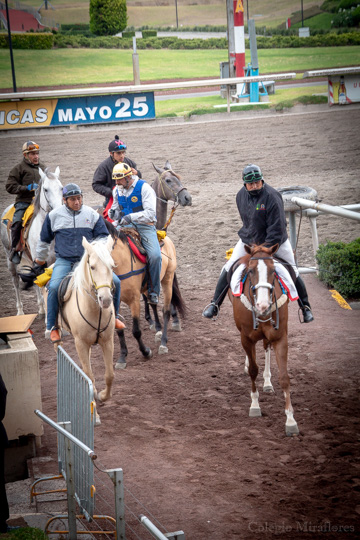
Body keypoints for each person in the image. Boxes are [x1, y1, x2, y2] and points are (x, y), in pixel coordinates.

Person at [202, 164, 314, 323]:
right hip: (250, 240)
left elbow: (277, 228)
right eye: (251, 184)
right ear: (244, 185)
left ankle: (305, 307)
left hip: (276, 242)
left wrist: (263, 250)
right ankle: (214, 304)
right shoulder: (240, 196)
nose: (254, 186)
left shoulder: (272, 197)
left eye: (257, 182)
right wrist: (251, 245)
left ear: (262, 180)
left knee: (291, 269)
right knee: (228, 267)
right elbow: (247, 222)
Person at [33, 183, 125, 344]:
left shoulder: (92, 214)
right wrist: (39, 260)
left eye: (79, 198)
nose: (77, 202)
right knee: (54, 287)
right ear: (64, 200)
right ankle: (52, 326)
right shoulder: (54, 216)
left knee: (115, 282)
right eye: (73, 199)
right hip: (64, 261)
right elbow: (44, 240)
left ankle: (114, 317)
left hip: (86, 261)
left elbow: (103, 237)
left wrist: (99, 252)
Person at [109, 163, 162, 306]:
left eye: (119, 179)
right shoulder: (117, 190)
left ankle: (153, 291)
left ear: (128, 177)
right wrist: (112, 213)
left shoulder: (144, 188)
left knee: (155, 256)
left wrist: (131, 217)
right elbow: (115, 210)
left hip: (144, 226)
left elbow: (151, 213)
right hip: (123, 225)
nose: (117, 183)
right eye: (116, 180)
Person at [5, 141, 45, 265]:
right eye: (32, 154)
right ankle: (14, 249)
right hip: (24, 202)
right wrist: (26, 188)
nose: (36, 156)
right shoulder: (18, 169)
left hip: (40, 202)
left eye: (37, 153)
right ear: (25, 155)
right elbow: (10, 186)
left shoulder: (42, 168)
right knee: (17, 222)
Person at [92, 135, 142, 208]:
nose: (122, 156)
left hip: (131, 198)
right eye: (118, 153)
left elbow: (138, 180)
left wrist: (137, 173)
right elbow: (96, 185)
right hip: (112, 201)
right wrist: (113, 192)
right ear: (111, 153)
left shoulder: (130, 163)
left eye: (123, 152)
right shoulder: (103, 166)